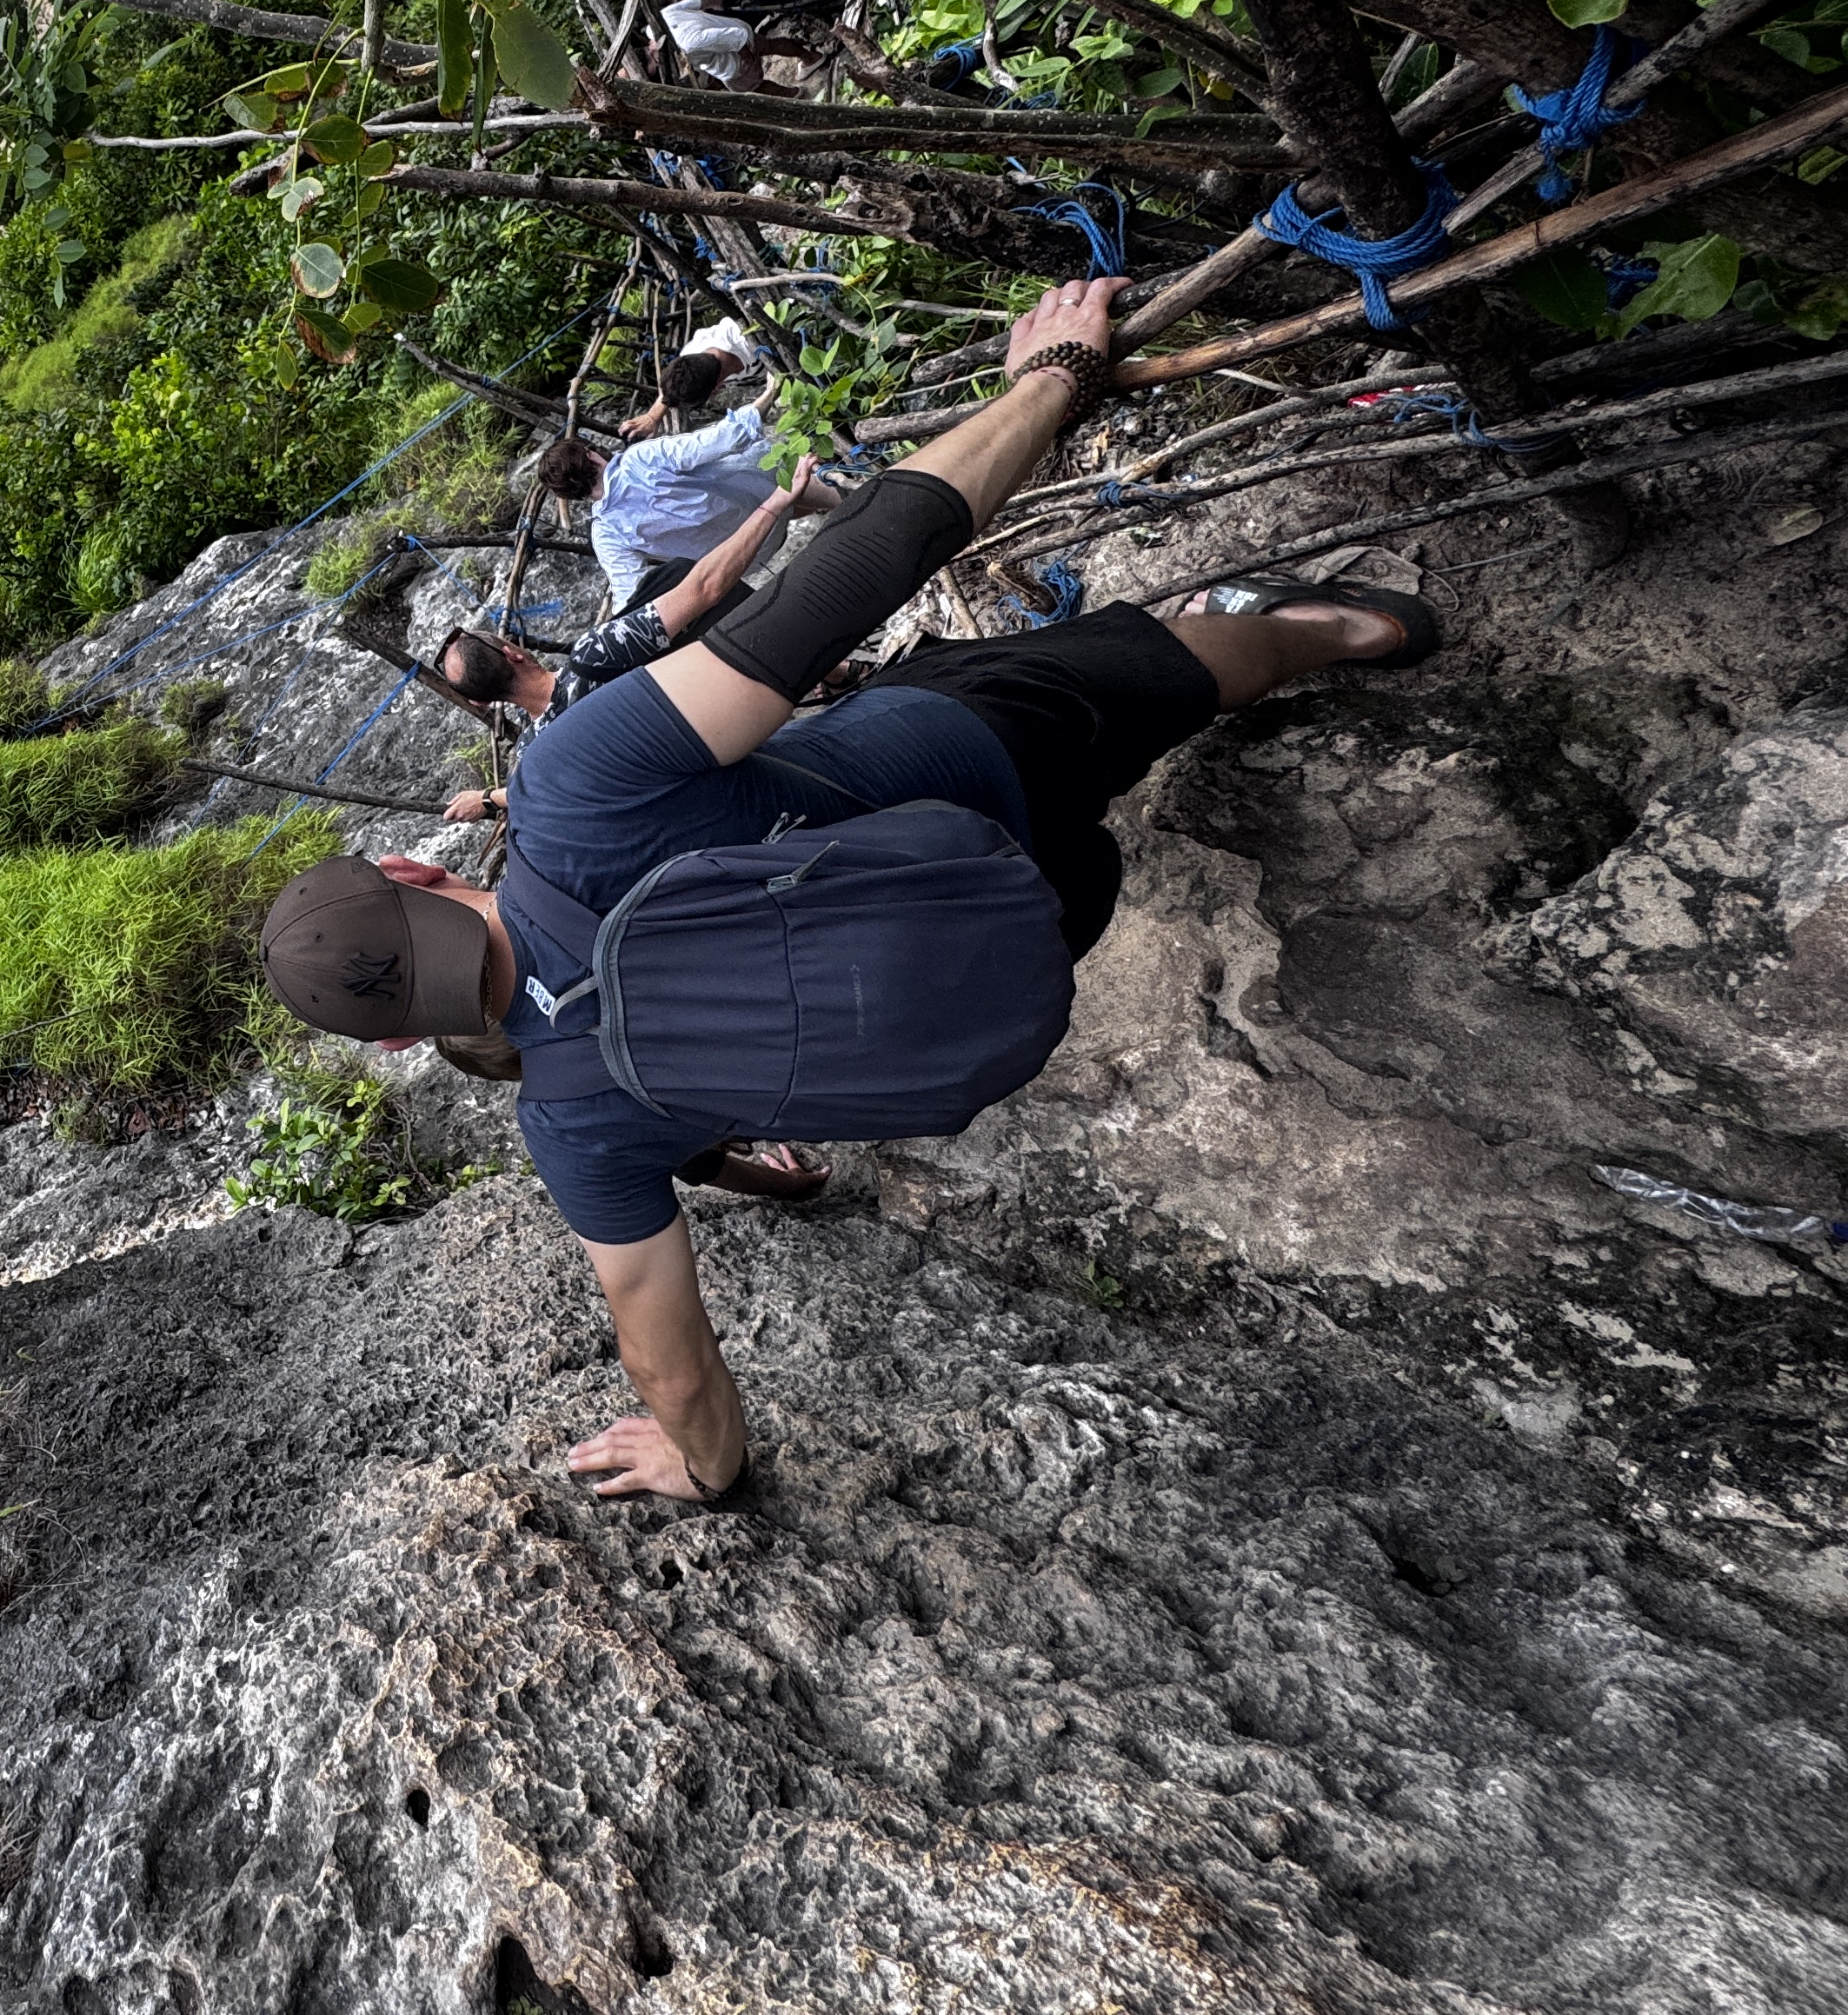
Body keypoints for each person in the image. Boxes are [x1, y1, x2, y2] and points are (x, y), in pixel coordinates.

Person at [256, 273, 1439, 1510]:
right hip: (982, 756)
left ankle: (1268, 674)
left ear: (400, 1033)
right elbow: (849, 579)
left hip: (1032, 934)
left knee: (1085, 823)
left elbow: (665, 1352)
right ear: (408, 873)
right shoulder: (568, 788)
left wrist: (702, 1466)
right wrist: (1052, 383)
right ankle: (1351, 636)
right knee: (1163, 665)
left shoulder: (572, 1132)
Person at [427, 454, 817, 818]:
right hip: (746, 725)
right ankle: (831, 672)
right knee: (672, 581)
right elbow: (705, 588)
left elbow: (523, 795)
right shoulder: (596, 654)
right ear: (513, 652)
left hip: (710, 797)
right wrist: (776, 501)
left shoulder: (536, 755)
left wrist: (487, 799)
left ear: (480, 701)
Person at [531, 343, 843, 608]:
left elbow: (631, 597)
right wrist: (771, 391)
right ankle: (846, 494)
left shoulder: (606, 535)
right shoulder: (639, 459)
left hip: (750, 556)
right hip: (766, 491)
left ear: (570, 496)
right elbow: (723, 439)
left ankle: (817, 509)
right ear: (590, 454)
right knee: (767, 462)